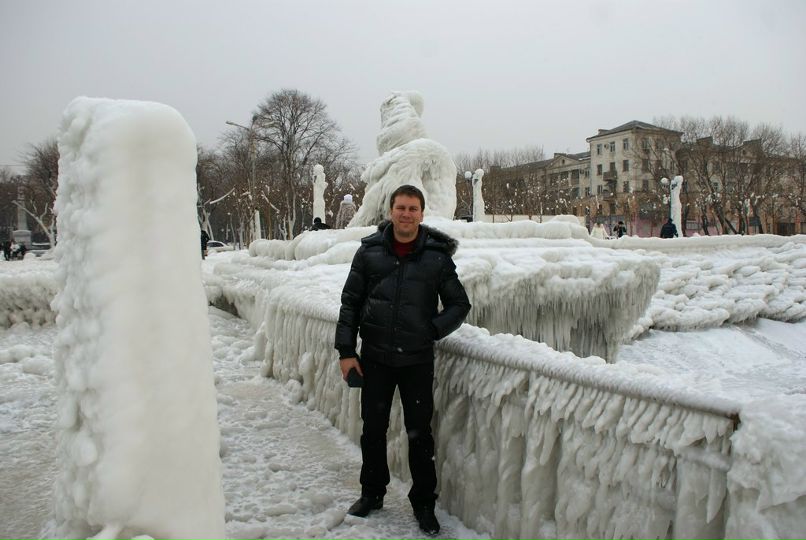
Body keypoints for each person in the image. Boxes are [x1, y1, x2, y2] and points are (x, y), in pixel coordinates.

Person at [335, 184, 471, 536]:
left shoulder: (436, 256)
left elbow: (459, 304)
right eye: (401, 208)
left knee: (419, 435)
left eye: (413, 208)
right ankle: (372, 493)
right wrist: (346, 352)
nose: (406, 214)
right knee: (373, 430)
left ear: (422, 214)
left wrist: (432, 330)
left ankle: (424, 504)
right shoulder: (369, 252)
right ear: (391, 211)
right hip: (376, 358)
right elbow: (350, 302)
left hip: (416, 361)